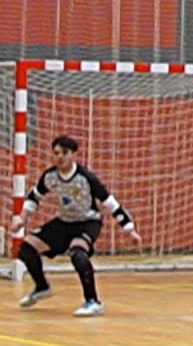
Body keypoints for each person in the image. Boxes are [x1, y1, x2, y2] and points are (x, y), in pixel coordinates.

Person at [12, 135, 142, 317]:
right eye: (56, 153)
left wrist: (130, 229)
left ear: (73, 154)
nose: (60, 157)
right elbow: (34, 196)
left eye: (64, 153)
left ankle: (93, 301)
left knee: (78, 254)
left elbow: (111, 203)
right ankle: (42, 287)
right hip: (64, 221)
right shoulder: (50, 176)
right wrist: (21, 218)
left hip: (87, 222)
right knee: (26, 248)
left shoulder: (86, 178)